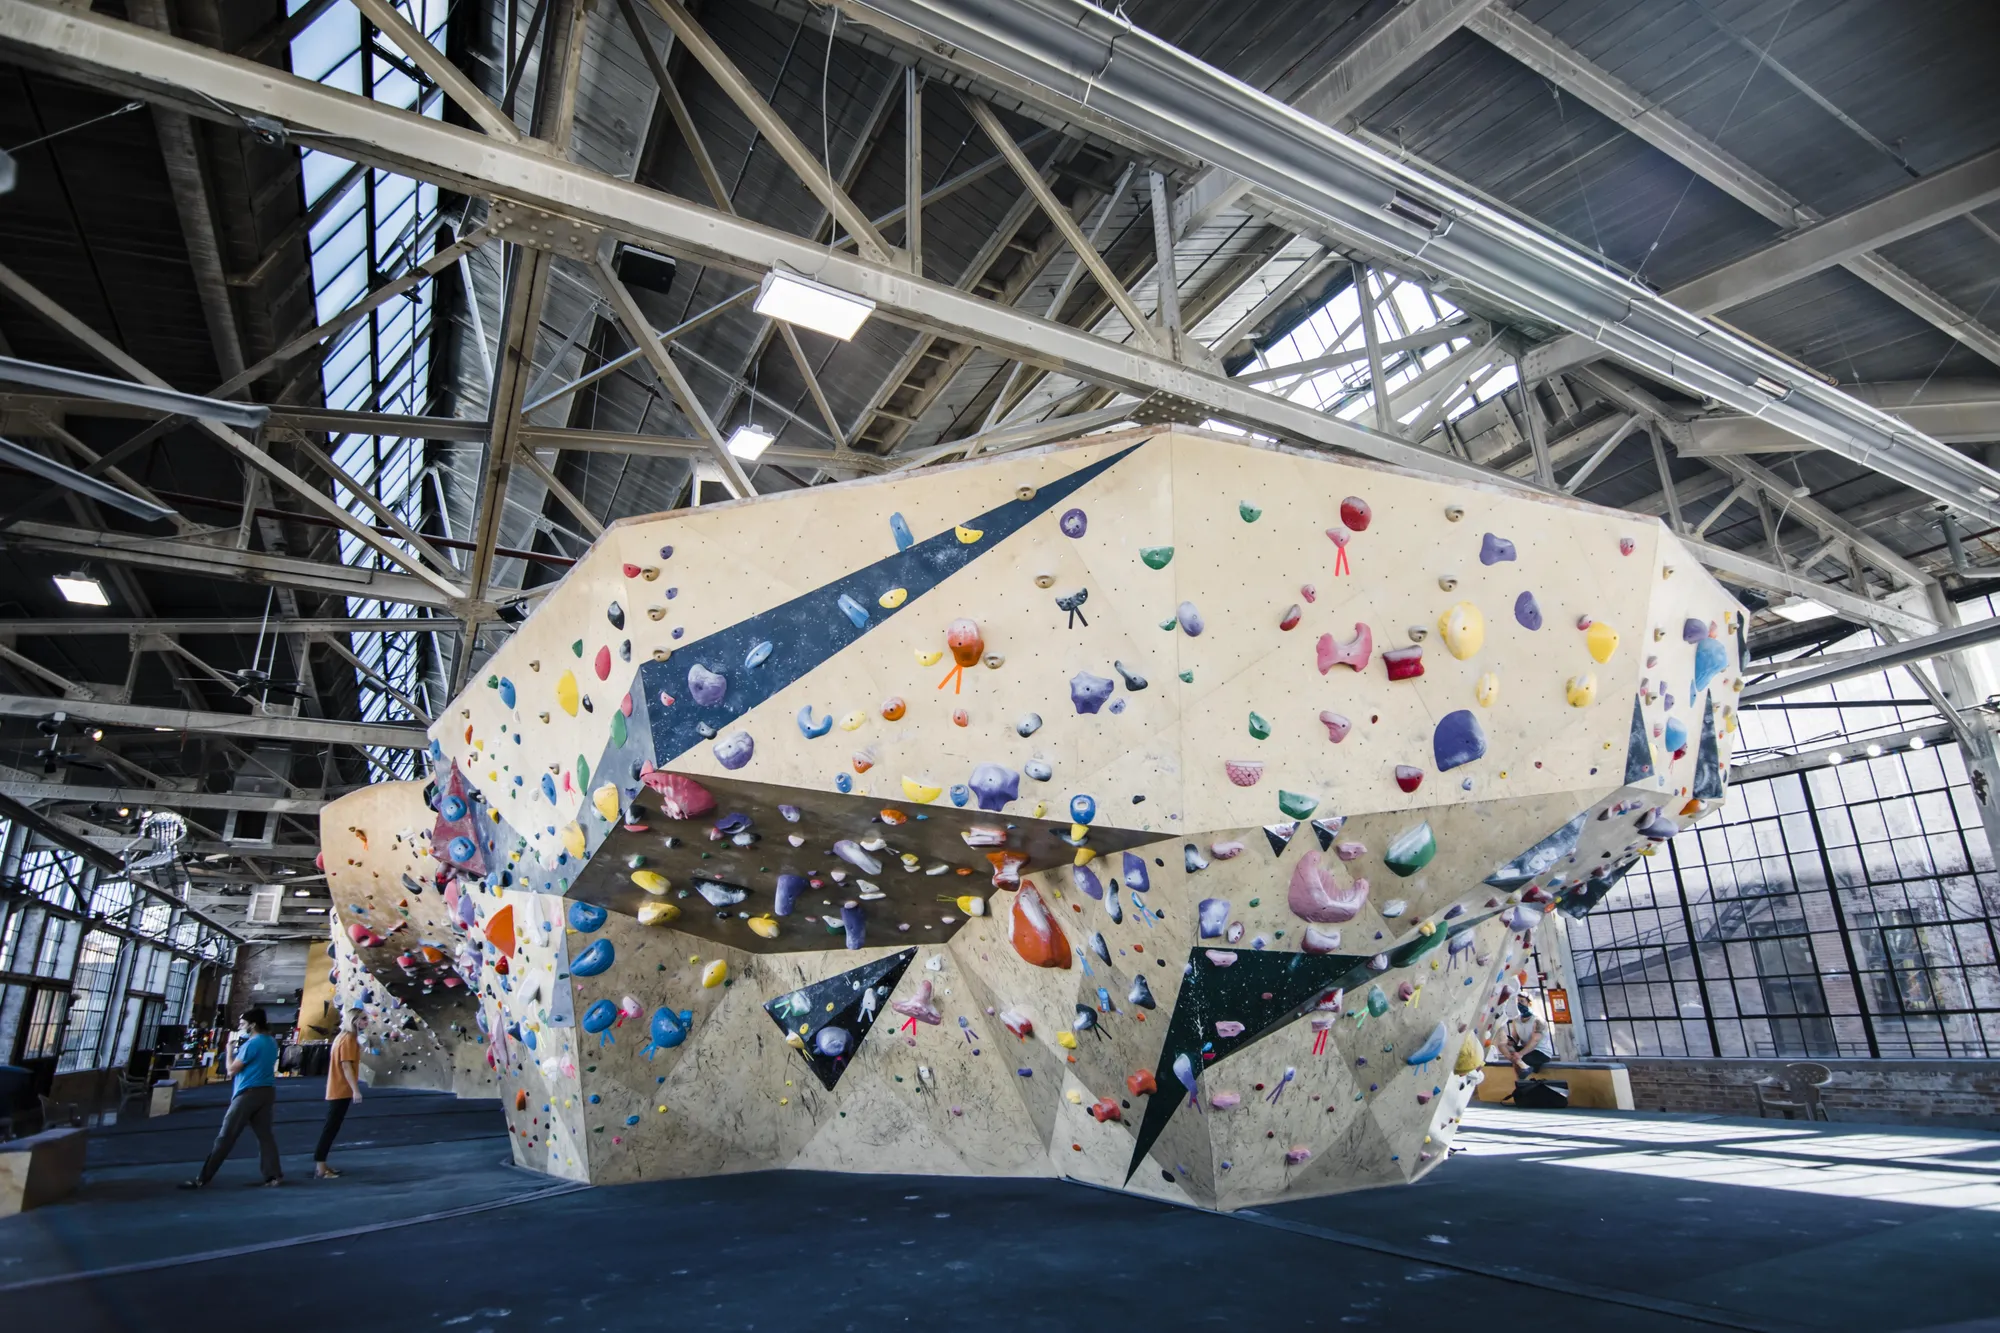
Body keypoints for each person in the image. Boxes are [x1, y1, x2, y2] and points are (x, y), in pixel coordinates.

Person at [180, 1007, 282, 1188]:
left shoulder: (252, 1044)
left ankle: (203, 1178)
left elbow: (231, 1069)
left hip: (248, 1093)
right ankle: (273, 1176)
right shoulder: (271, 1042)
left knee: (225, 1136)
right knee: (265, 1136)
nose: (241, 1026)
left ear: (253, 1024)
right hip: (267, 1091)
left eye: (243, 1024)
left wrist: (228, 1050)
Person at [314, 1010, 365, 1179]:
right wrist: (355, 1090)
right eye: (364, 1019)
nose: (367, 1022)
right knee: (330, 1128)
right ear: (355, 1021)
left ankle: (322, 1165)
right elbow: (346, 1066)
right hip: (340, 1089)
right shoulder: (348, 1039)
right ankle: (320, 1167)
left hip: (338, 1088)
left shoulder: (342, 1037)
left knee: (331, 1127)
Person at [1501, 996, 1553, 1078]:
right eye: (1517, 1001)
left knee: (1523, 1059)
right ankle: (1523, 1066)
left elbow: (1535, 1040)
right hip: (1525, 1050)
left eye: (1522, 1001)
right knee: (1503, 1045)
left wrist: (1520, 1054)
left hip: (1540, 1051)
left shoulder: (1538, 1020)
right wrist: (1510, 1042)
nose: (1519, 1004)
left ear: (1529, 1003)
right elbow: (1515, 1039)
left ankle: (1524, 1068)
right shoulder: (1516, 1020)